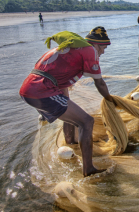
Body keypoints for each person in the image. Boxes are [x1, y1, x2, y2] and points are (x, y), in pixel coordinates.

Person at [19, 26, 113, 177]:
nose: (102, 52)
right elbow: (100, 83)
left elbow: (63, 91)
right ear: (95, 44)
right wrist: (111, 100)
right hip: (41, 90)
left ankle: (70, 142)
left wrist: (68, 104)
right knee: (87, 122)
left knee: (69, 109)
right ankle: (88, 169)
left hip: (29, 89)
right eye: (103, 48)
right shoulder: (89, 50)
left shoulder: (72, 50)